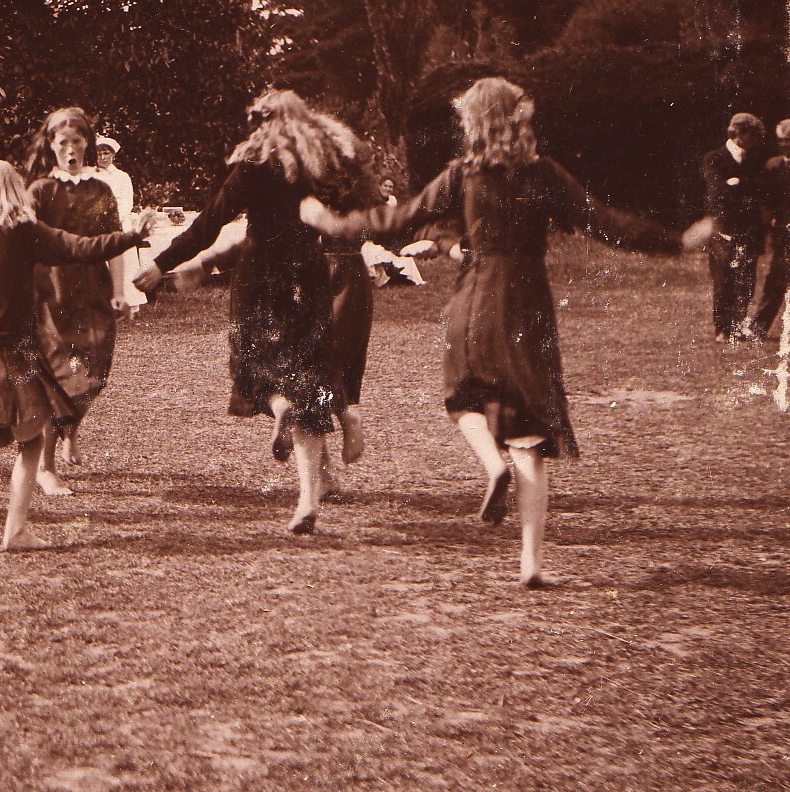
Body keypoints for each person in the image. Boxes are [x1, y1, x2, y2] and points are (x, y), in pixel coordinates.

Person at [297, 77, 714, 586]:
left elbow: (399, 216)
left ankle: (491, 464)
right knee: (530, 437)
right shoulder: (545, 174)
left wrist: (334, 222)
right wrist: (676, 241)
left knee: (462, 398)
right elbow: (604, 221)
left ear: (475, 122)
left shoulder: (462, 174)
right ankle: (531, 564)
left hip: (475, 300)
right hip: (526, 306)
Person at [0, 160, 153, 549]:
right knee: (30, 437)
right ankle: (9, 523)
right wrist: (133, 235)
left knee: (6, 431)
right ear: (16, 190)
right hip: (13, 348)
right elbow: (79, 247)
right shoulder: (24, 231)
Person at [134, 90, 352, 535]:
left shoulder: (252, 165)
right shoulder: (324, 164)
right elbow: (353, 216)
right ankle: (308, 499)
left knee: (250, 364)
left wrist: (161, 263)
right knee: (308, 377)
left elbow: (208, 222)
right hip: (307, 274)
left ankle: (278, 407)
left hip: (259, 274)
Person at [26, 107, 126, 495]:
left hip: (93, 289)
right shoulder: (40, 190)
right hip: (51, 292)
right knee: (59, 377)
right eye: (63, 142)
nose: (71, 149)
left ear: (89, 144)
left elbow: (114, 244)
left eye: (78, 141)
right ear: (51, 145)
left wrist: (119, 291)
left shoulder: (100, 189)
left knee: (94, 372)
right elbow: (21, 238)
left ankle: (71, 427)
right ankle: (46, 467)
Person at [701, 113, 770, 342]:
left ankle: (738, 324)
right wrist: (742, 191)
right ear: (739, 133)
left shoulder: (755, 159)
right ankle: (722, 328)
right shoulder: (714, 158)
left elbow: (760, 189)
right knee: (724, 279)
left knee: (747, 279)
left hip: (749, 229)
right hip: (724, 228)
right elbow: (717, 193)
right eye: (753, 135)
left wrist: (737, 184)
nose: (756, 141)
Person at [95, 135, 147, 320]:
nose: (103, 157)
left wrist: (114, 220)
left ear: (113, 155)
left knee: (125, 264)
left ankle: (130, 306)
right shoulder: (91, 176)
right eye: (99, 153)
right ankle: (104, 306)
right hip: (97, 224)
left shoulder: (122, 177)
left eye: (106, 153)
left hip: (119, 223)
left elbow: (127, 202)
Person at [747, 118, 790, 341]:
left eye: (789, 140)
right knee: (776, 280)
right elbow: (765, 200)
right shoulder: (774, 167)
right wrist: (770, 221)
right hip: (783, 232)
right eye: (782, 140)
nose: (785, 145)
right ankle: (758, 327)